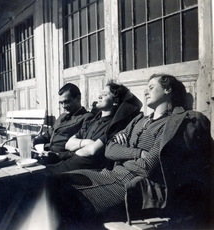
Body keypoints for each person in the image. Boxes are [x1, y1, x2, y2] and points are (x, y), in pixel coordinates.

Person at [39, 74, 211, 229]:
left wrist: (126, 152)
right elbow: (110, 149)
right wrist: (138, 153)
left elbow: (147, 167)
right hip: (109, 174)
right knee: (50, 183)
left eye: (151, 87)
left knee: (67, 199)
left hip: (130, 186)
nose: (146, 91)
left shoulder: (172, 125)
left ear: (167, 89)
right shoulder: (139, 120)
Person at [44, 80, 142, 174]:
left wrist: (79, 147)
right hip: (72, 162)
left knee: (41, 176)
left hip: (86, 170)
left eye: (105, 94)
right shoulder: (93, 121)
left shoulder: (114, 126)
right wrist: (88, 143)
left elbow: (92, 150)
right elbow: (68, 144)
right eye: (101, 93)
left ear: (115, 100)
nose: (99, 96)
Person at [32, 83, 93, 164]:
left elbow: (83, 148)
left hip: (61, 160)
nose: (63, 106)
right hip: (45, 153)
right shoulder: (62, 116)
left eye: (67, 102)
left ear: (78, 98)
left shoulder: (86, 118)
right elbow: (49, 133)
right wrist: (35, 142)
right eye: (61, 103)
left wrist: (58, 155)